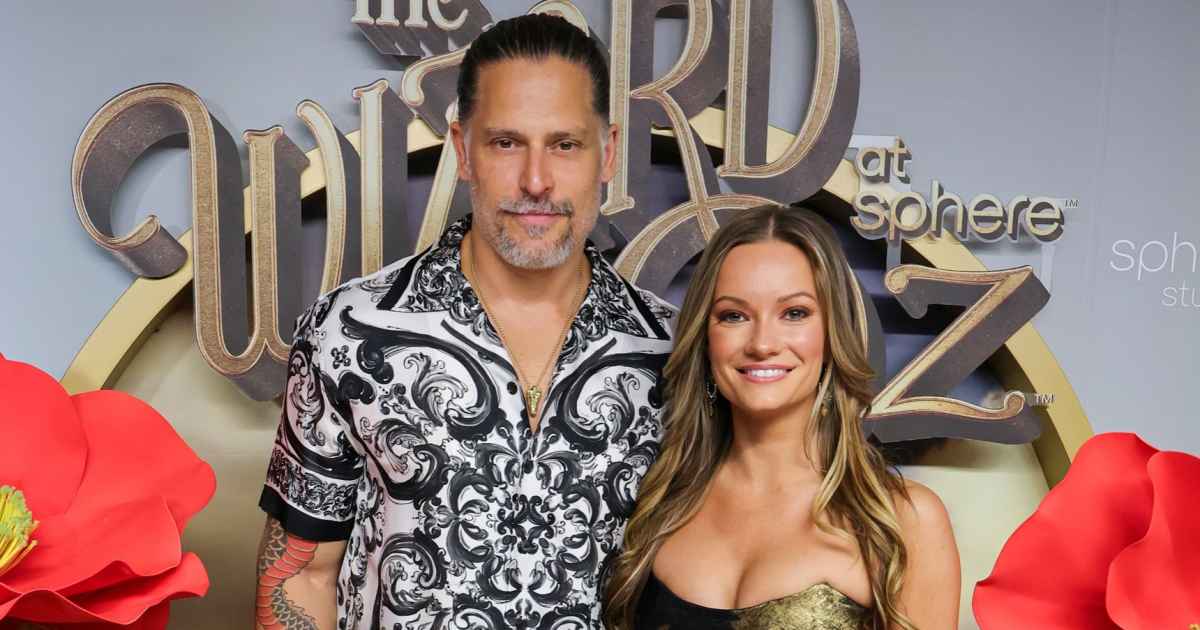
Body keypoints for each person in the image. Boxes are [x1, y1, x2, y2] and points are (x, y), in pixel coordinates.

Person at [253, 14, 675, 630]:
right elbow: (302, 575)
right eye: (506, 143)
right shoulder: (349, 331)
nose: (536, 181)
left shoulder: (674, 349)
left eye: (565, 144)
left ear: (607, 153)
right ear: (463, 149)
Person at [605, 205, 960, 629]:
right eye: (734, 316)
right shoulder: (656, 500)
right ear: (706, 338)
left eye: (794, 313)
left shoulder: (903, 520)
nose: (762, 344)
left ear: (832, 333)